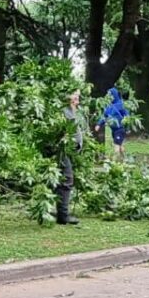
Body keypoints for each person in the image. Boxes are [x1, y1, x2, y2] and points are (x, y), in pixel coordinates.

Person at [56, 90, 88, 225]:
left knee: (62, 180)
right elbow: (59, 130)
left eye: (78, 97)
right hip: (61, 150)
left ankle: (59, 212)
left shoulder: (74, 110)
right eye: (76, 96)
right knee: (67, 179)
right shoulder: (62, 111)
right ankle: (63, 216)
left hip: (69, 151)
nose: (78, 100)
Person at [94, 87, 128, 159]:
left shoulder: (121, 104)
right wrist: (98, 124)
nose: (109, 96)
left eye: (110, 95)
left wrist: (127, 126)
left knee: (116, 144)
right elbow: (104, 116)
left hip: (120, 129)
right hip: (114, 130)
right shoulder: (109, 106)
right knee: (120, 145)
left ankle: (115, 162)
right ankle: (125, 160)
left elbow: (127, 116)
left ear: (114, 95)